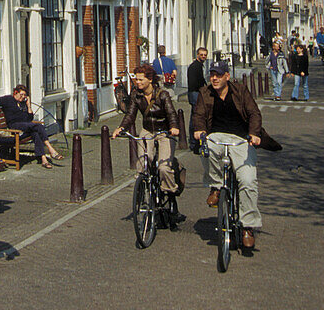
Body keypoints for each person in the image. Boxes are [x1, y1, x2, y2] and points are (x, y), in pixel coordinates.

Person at [193, 59, 281, 251]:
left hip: (241, 139)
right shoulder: (204, 92)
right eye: (212, 75)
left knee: (247, 181)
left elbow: (254, 113)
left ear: (227, 76)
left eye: (218, 75)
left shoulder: (240, 91)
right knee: (205, 149)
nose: (214, 78)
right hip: (216, 136)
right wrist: (199, 130)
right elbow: (198, 115)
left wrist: (255, 134)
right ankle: (216, 187)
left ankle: (248, 226)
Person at [111, 63, 183, 230]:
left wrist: (174, 127)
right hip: (147, 131)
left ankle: (171, 197)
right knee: (143, 162)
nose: (137, 82)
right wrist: (121, 128)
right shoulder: (136, 95)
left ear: (150, 80)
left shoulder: (162, 95)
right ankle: (144, 187)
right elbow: (130, 115)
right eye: (136, 79)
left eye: (140, 79)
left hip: (164, 132)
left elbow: (171, 113)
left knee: (164, 168)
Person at [0, 85, 64, 169]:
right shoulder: (8, 99)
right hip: (14, 125)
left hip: (25, 125)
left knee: (35, 133)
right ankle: (50, 149)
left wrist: (29, 105)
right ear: (15, 93)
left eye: (25, 95)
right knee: (38, 126)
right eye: (21, 94)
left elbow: (30, 118)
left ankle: (44, 159)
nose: (23, 97)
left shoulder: (23, 103)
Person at [187, 47, 208, 151]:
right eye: (201, 54)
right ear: (197, 55)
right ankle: (193, 142)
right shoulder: (194, 67)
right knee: (196, 116)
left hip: (196, 92)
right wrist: (202, 89)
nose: (203, 56)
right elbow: (194, 82)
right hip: (195, 93)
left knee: (196, 115)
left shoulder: (199, 66)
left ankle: (195, 141)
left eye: (205, 55)